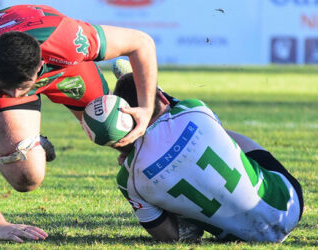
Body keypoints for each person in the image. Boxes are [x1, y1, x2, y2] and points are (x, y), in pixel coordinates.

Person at [0, 5, 157, 243]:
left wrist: (146, 107)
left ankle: (133, 87)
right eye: (6, 87)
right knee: (25, 177)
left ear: (38, 67)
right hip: (4, 67)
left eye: (21, 86)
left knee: (123, 136)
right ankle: (34, 142)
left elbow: (141, 42)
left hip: (66, 68)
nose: (14, 93)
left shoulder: (67, 39)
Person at [112, 73, 304, 243]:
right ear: (162, 96)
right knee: (220, 134)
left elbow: (166, 235)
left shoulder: (128, 179)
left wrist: (132, 151)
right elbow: (171, 105)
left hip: (243, 238)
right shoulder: (195, 108)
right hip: (290, 202)